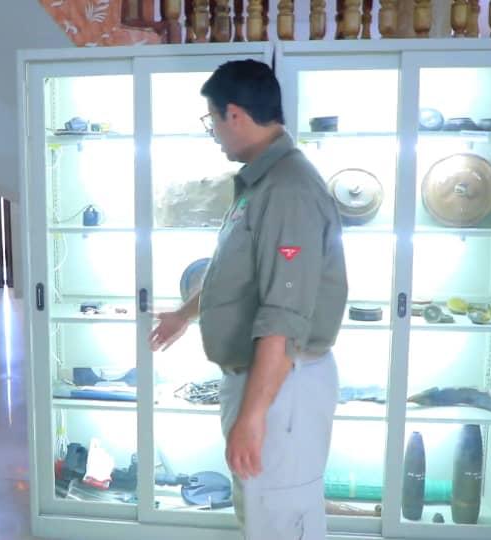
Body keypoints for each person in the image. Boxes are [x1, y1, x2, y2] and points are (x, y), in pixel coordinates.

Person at [150, 60, 348, 539]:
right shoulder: (262, 183)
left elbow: (283, 315)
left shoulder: (286, 190)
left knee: (280, 518)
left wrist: (254, 415)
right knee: (263, 514)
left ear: (235, 114)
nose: (214, 133)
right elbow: (237, 276)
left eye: (212, 120)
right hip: (268, 381)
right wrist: (185, 314)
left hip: (281, 386)